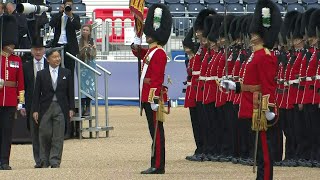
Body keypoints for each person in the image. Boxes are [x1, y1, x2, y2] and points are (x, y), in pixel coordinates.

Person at [221, 0, 281, 179]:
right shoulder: (255, 54)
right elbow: (251, 82)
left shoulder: (265, 56)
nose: (252, 34)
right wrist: (235, 86)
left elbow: (267, 84)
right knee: (258, 151)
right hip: (251, 105)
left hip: (260, 108)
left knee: (264, 149)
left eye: (255, 32)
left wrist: (269, 107)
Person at [131, 3, 172, 174]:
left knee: (156, 132)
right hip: (148, 96)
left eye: (149, 32)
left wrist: (155, 99)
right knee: (153, 131)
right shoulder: (151, 51)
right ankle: (155, 162)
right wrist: (135, 43)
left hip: (152, 97)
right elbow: (141, 54)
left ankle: (158, 165)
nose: (147, 34)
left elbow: (156, 78)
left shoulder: (160, 53)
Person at [32, 49, 75, 168]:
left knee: (58, 135)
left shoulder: (66, 73)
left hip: (61, 107)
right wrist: (35, 109)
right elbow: (36, 93)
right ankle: (43, 160)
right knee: (44, 133)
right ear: (48, 59)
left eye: (59, 57)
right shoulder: (41, 74)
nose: (58, 59)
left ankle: (55, 161)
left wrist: (71, 108)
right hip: (45, 107)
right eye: (55, 57)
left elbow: (70, 92)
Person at [0, 14, 25, 170]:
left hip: (10, 100)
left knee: (7, 133)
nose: (13, 46)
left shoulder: (17, 60)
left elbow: (20, 82)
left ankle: (4, 160)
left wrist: (20, 101)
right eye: (10, 44)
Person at [22, 36, 48, 168]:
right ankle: (38, 160)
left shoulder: (49, 65)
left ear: (44, 51)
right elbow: (22, 86)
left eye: (40, 49)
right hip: (32, 104)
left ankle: (47, 158)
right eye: (35, 50)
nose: (38, 52)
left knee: (48, 132)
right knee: (35, 133)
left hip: (47, 104)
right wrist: (22, 104)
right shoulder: (25, 66)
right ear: (31, 51)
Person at [49, 0, 81, 83]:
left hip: (70, 46)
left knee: (69, 70)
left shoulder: (75, 17)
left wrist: (70, 16)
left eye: (70, 5)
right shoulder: (57, 16)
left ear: (72, 7)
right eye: (67, 5)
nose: (68, 7)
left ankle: (70, 93)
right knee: (56, 69)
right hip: (57, 45)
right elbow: (51, 24)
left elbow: (77, 27)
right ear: (63, 5)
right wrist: (60, 13)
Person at [78, 24, 96, 116]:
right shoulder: (78, 40)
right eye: (83, 29)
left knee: (90, 86)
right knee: (82, 85)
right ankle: (82, 106)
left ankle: (88, 106)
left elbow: (93, 55)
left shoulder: (92, 41)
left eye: (86, 30)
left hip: (90, 65)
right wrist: (84, 48)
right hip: (81, 65)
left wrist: (93, 49)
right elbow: (78, 54)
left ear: (90, 32)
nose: (84, 31)